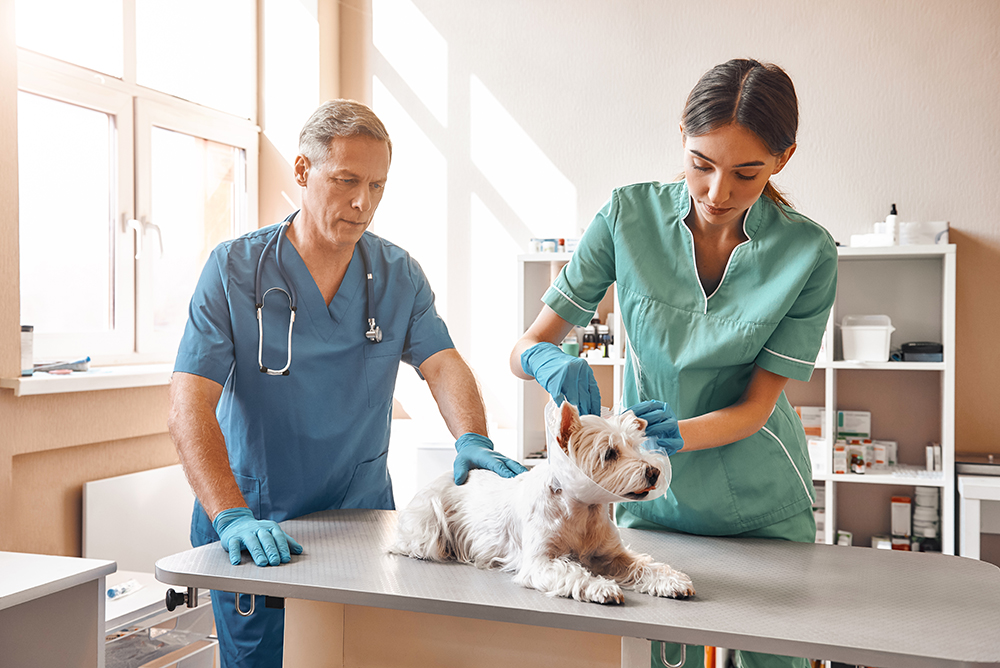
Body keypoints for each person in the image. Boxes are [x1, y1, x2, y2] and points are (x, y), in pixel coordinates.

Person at [168, 99, 526, 668]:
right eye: (347, 181)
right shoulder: (235, 269)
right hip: (259, 523)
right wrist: (230, 514)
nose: (363, 203)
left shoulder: (397, 274)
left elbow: (442, 363)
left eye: (378, 186)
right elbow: (190, 403)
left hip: (359, 523)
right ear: (303, 171)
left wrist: (472, 439)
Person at [510, 59, 837, 668]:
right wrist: (546, 362)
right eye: (700, 164)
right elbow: (524, 348)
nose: (717, 192)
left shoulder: (807, 252)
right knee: (654, 655)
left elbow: (757, 407)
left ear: (783, 158)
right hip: (648, 503)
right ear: (681, 140)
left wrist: (670, 439)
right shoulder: (626, 217)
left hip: (758, 504)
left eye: (746, 173)